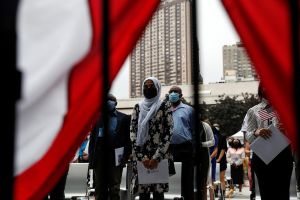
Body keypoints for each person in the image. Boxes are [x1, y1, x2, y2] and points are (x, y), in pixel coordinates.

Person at [244, 83, 293, 200]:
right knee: (266, 193)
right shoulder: (253, 110)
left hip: (283, 155)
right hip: (262, 155)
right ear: (261, 89)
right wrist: (256, 132)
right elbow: (248, 137)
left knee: (283, 193)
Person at [130, 77, 173, 200]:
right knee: (143, 195)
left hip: (159, 157)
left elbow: (168, 132)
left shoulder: (165, 106)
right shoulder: (137, 107)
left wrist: (156, 157)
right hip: (141, 156)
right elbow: (133, 133)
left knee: (158, 194)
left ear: (157, 88)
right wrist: (142, 157)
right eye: (146, 86)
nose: (148, 88)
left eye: (151, 86)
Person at [88, 94, 131, 200]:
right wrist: (91, 160)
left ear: (115, 103)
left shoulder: (124, 118)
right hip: (100, 157)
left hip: (117, 156)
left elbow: (128, 139)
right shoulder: (96, 118)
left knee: (114, 187)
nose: (108, 102)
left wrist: (125, 157)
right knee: (99, 187)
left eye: (111, 100)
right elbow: (92, 140)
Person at [168, 85, 195, 200]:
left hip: (185, 148)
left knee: (186, 178)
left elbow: (195, 130)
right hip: (169, 149)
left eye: (176, 92)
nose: (173, 93)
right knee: (171, 177)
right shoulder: (165, 110)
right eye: (171, 92)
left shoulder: (189, 110)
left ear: (181, 95)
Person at [198, 120, 215, 200]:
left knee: (203, 183)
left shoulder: (205, 125)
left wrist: (201, 144)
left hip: (203, 157)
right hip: (189, 156)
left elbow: (212, 142)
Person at [214, 123, 227, 200]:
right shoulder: (212, 136)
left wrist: (219, 158)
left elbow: (223, 149)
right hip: (213, 159)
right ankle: (215, 192)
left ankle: (223, 194)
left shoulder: (222, 136)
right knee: (214, 178)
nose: (216, 128)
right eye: (214, 126)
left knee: (221, 178)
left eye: (217, 126)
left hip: (221, 159)